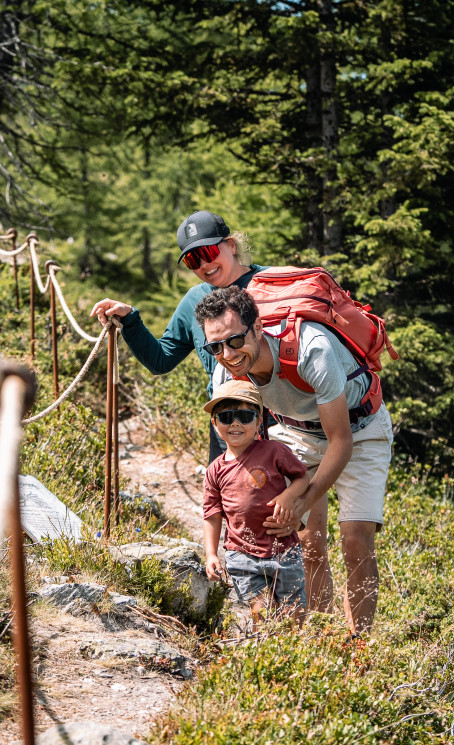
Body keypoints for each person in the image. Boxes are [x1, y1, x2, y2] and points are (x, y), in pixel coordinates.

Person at [194, 286, 394, 637]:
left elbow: (341, 441)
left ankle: (359, 644)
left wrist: (300, 497)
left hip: (360, 429)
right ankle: (319, 638)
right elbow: (237, 441)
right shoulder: (226, 373)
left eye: (235, 340)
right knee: (306, 540)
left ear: (257, 328)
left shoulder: (311, 350)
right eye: (216, 346)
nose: (227, 354)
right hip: (294, 431)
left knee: (355, 539)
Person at [91, 211, 262, 462]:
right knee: (228, 498)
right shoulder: (195, 300)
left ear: (231, 245)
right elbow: (161, 360)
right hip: (227, 422)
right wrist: (130, 319)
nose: (204, 265)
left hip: (278, 420)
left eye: (209, 253)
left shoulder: (270, 283)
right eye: (193, 260)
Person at [202, 380, 309, 625]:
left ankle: (296, 655)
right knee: (259, 611)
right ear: (214, 422)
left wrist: (287, 496)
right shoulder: (215, 470)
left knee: (294, 615)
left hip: (284, 550)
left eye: (245, 416)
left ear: (259, 421)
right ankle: (266, 651)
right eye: (227, 416)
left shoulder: (274, 451)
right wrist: (211, 554)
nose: (236, 423)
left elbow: (302, 477)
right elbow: (211, 513)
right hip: (242, 554)